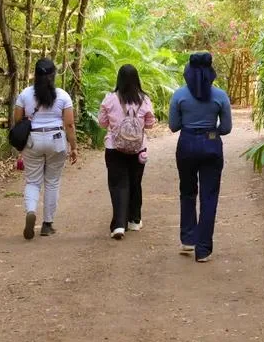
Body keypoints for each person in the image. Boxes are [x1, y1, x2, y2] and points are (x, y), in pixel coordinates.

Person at [168, 52, 232, 263]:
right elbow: (226, 128)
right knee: (209, 196)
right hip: (211, 145)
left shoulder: (179, 96)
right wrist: (210, 133)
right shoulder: (220, 96)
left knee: (187, 191)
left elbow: (173, 126)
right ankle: (203, 250)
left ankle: (188, 239)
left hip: (186, 144)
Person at [13, 58, 78, 239]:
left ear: (36, 74)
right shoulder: (63, 96)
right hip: (56, 139)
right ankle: (47, 224)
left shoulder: (25, 94)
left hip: (33, 140)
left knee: (33, 181)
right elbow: (70, 124)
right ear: (53, 75)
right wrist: (74, 147)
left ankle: (31, 211)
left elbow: (17, 120)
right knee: (52, 182)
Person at [96, 64, 157, 240]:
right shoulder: (144, 99)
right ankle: (134, 220)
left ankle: (118, 225)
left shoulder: (110, 99)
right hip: (139, 148)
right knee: (135, 182)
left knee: (117, 184)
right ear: (137, 79)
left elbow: (102, 122)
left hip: (114, 148)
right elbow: (150, 123)